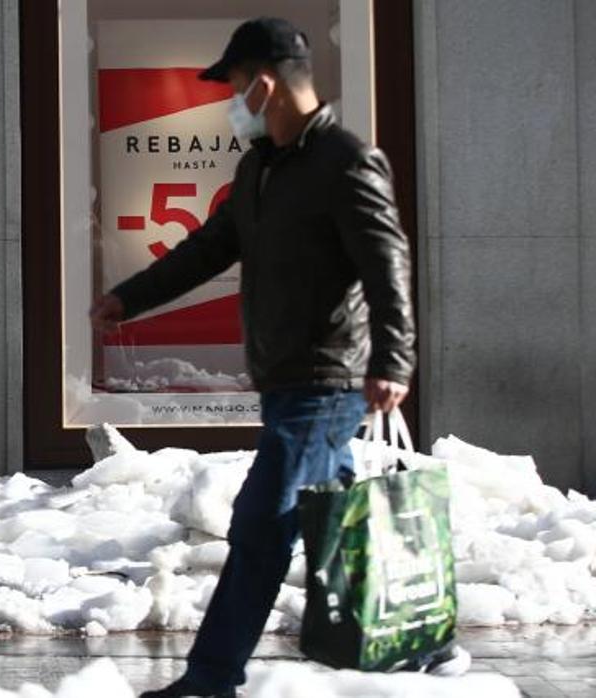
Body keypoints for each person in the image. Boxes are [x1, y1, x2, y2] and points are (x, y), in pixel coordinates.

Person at [89, 17, 460, 698]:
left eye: (233, 86)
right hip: (286, 382)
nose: (230, 102)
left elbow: (388, 266)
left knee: (262, 524)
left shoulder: (345, 161)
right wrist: (128, 298)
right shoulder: (258, 167)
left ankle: (211, 678)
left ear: (263, 85)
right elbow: (209, 248)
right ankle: (419, 649)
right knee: (338, 525)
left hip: (328, 379)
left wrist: (393, 363)